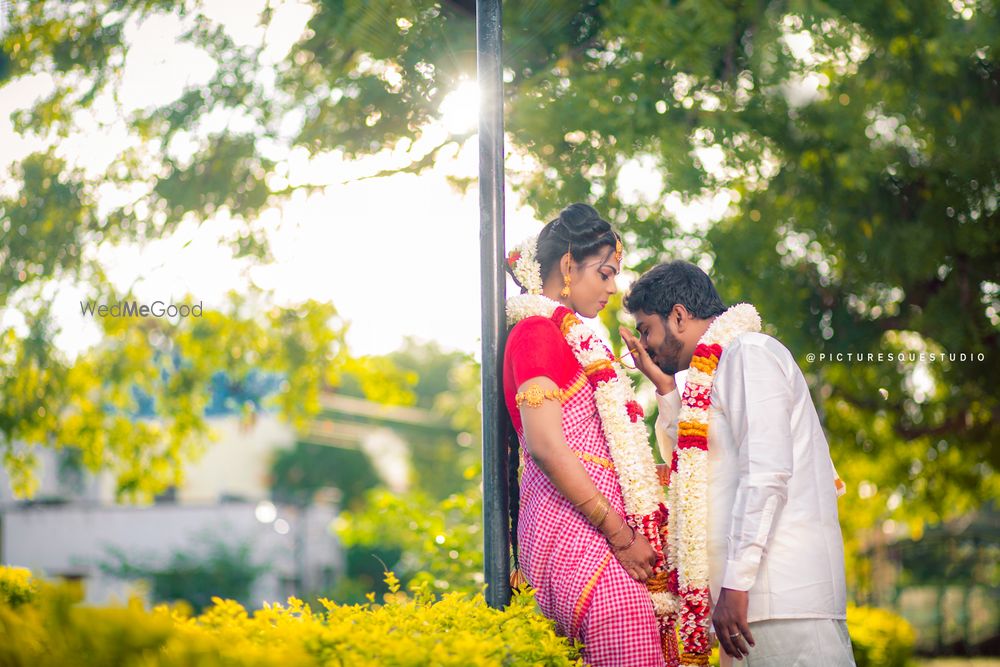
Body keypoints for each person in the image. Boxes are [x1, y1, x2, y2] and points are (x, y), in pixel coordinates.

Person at [620, 260, 855, 666]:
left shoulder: (749, 354)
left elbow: (767, 474)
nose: (645, 344)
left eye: (646, 330)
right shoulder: (713, 371)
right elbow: (689, 461)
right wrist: (662, 385)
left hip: (778, 601)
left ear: (678, 315)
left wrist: (736, 584)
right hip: (745, 606)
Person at [502, 204, 666, 666]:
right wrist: (619, 535)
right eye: (606, 272)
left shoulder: (568, 338)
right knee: (625, 620)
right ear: (569, 264)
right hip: (572, 528)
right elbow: (548, 446)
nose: (613, 288)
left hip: (585, 525)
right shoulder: (537, 332)